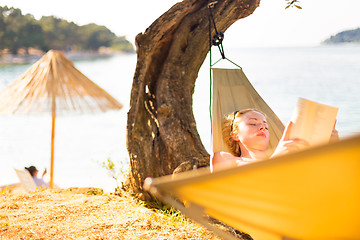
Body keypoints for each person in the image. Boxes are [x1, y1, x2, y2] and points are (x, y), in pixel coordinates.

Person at [211, 108, 338, 172]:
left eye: (266, 126)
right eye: (253, 124)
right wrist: (277, 159)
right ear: (235, 134)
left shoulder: (287, 158)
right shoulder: (226, 159)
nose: (262, 127)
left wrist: (333, 146)